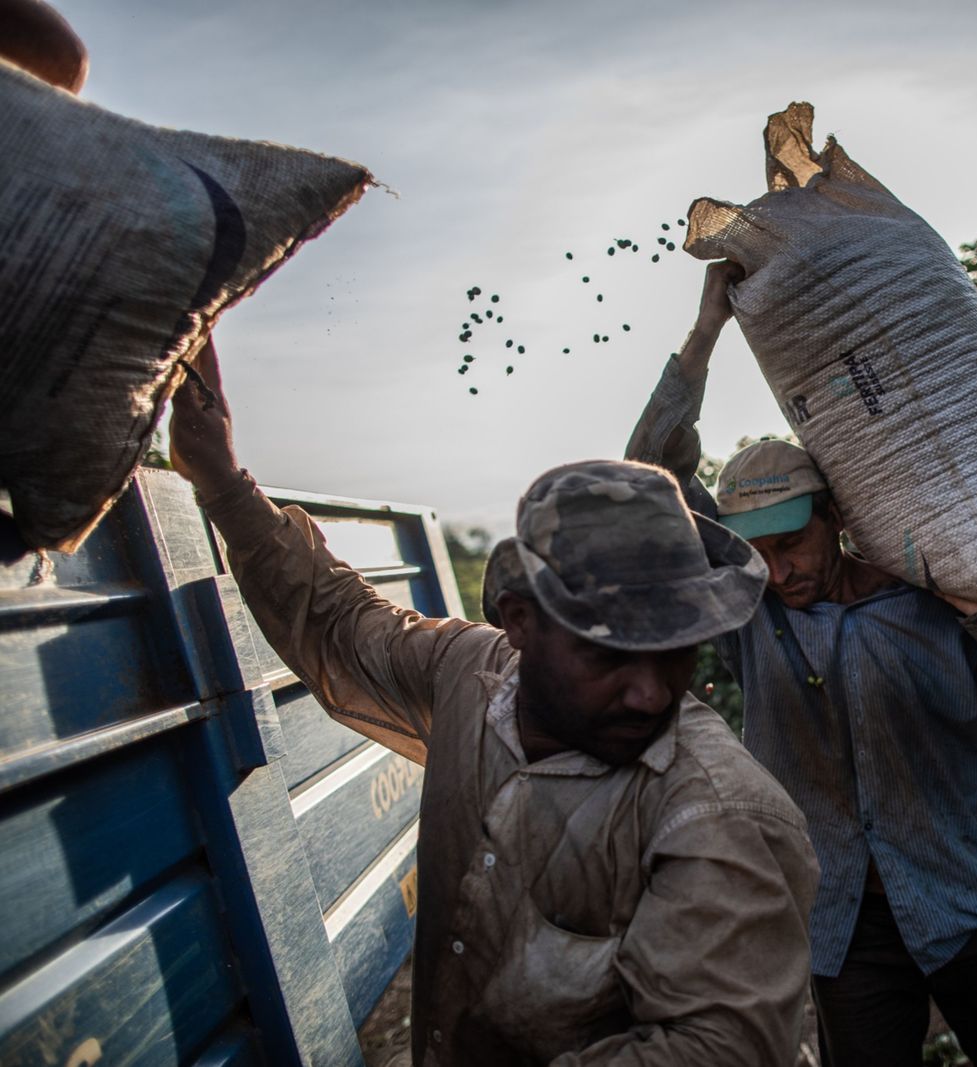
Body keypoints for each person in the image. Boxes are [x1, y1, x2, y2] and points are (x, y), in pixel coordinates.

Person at [169, 339, 820, 1067]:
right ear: (518, 621)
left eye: (677, 650)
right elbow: (341, 621)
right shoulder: (466, 675)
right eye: (608, 654)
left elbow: (722, 1048)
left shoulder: (717, 813)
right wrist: (220, 481)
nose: (651, 691)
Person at [627, 262, 977, 1067]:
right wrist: (707, 331)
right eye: (758, 551)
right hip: (841, 924)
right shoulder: (751, 610)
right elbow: (653, 476)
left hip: (965, 901)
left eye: (792, 544)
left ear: (836, 518)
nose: (778, 571)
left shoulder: (934, 602)